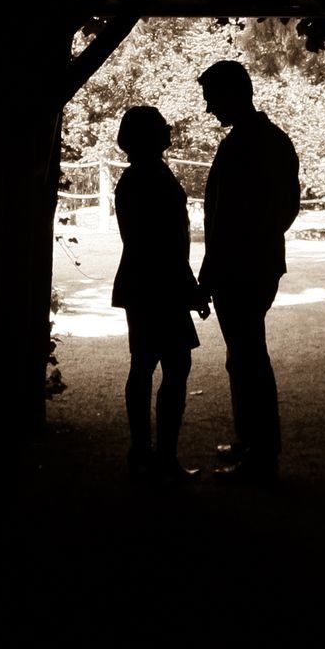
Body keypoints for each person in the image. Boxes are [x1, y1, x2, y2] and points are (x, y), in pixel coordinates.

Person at [197, 61, 300, 483]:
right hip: (260, 263)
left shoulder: (242, 146)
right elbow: (287, 207)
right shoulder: (274, 140)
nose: (209, 109)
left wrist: (210, 272)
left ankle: (261, 454)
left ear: (231, 95)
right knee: (243, 354)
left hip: (238, 268)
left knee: (248, 356)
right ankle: (252, 442)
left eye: (212, 99)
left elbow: (226, 221)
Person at [111, 106, 210, 483]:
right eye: (161, 125)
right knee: (174, 365)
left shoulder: (136, 177)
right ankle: (163, 457)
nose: (169, 128)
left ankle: (142, 452)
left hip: (142, 282)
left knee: (144, 364)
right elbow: (166, 245)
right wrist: (190, 288)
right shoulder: (152, 177)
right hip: (160, 285)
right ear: (150, 136)